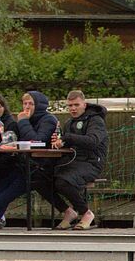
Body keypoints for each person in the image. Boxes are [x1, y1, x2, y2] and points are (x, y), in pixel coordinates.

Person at [0, 90, 59, 230]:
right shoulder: (29, 119)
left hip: (43, 166)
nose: (27, 107)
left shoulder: (47, 120)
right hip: (27, 164)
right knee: (5, 180)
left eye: (31, 104)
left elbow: (36, 141)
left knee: (21, 179)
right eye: (25, 103)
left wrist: (23, 121)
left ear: (39, 105)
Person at [35, 89, 107, 230]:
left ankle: (86, 213)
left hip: (91, 163)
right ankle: (68, 212)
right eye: (70, 106)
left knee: (63, 182)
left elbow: (92, 141)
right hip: (71, 162)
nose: (73, 108)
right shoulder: (68, 123)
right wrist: (58, 143)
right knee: (38, 179)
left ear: (84, 105)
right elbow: (68, 143)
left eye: (76, 105)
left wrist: (67, 138)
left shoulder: (96, 120)